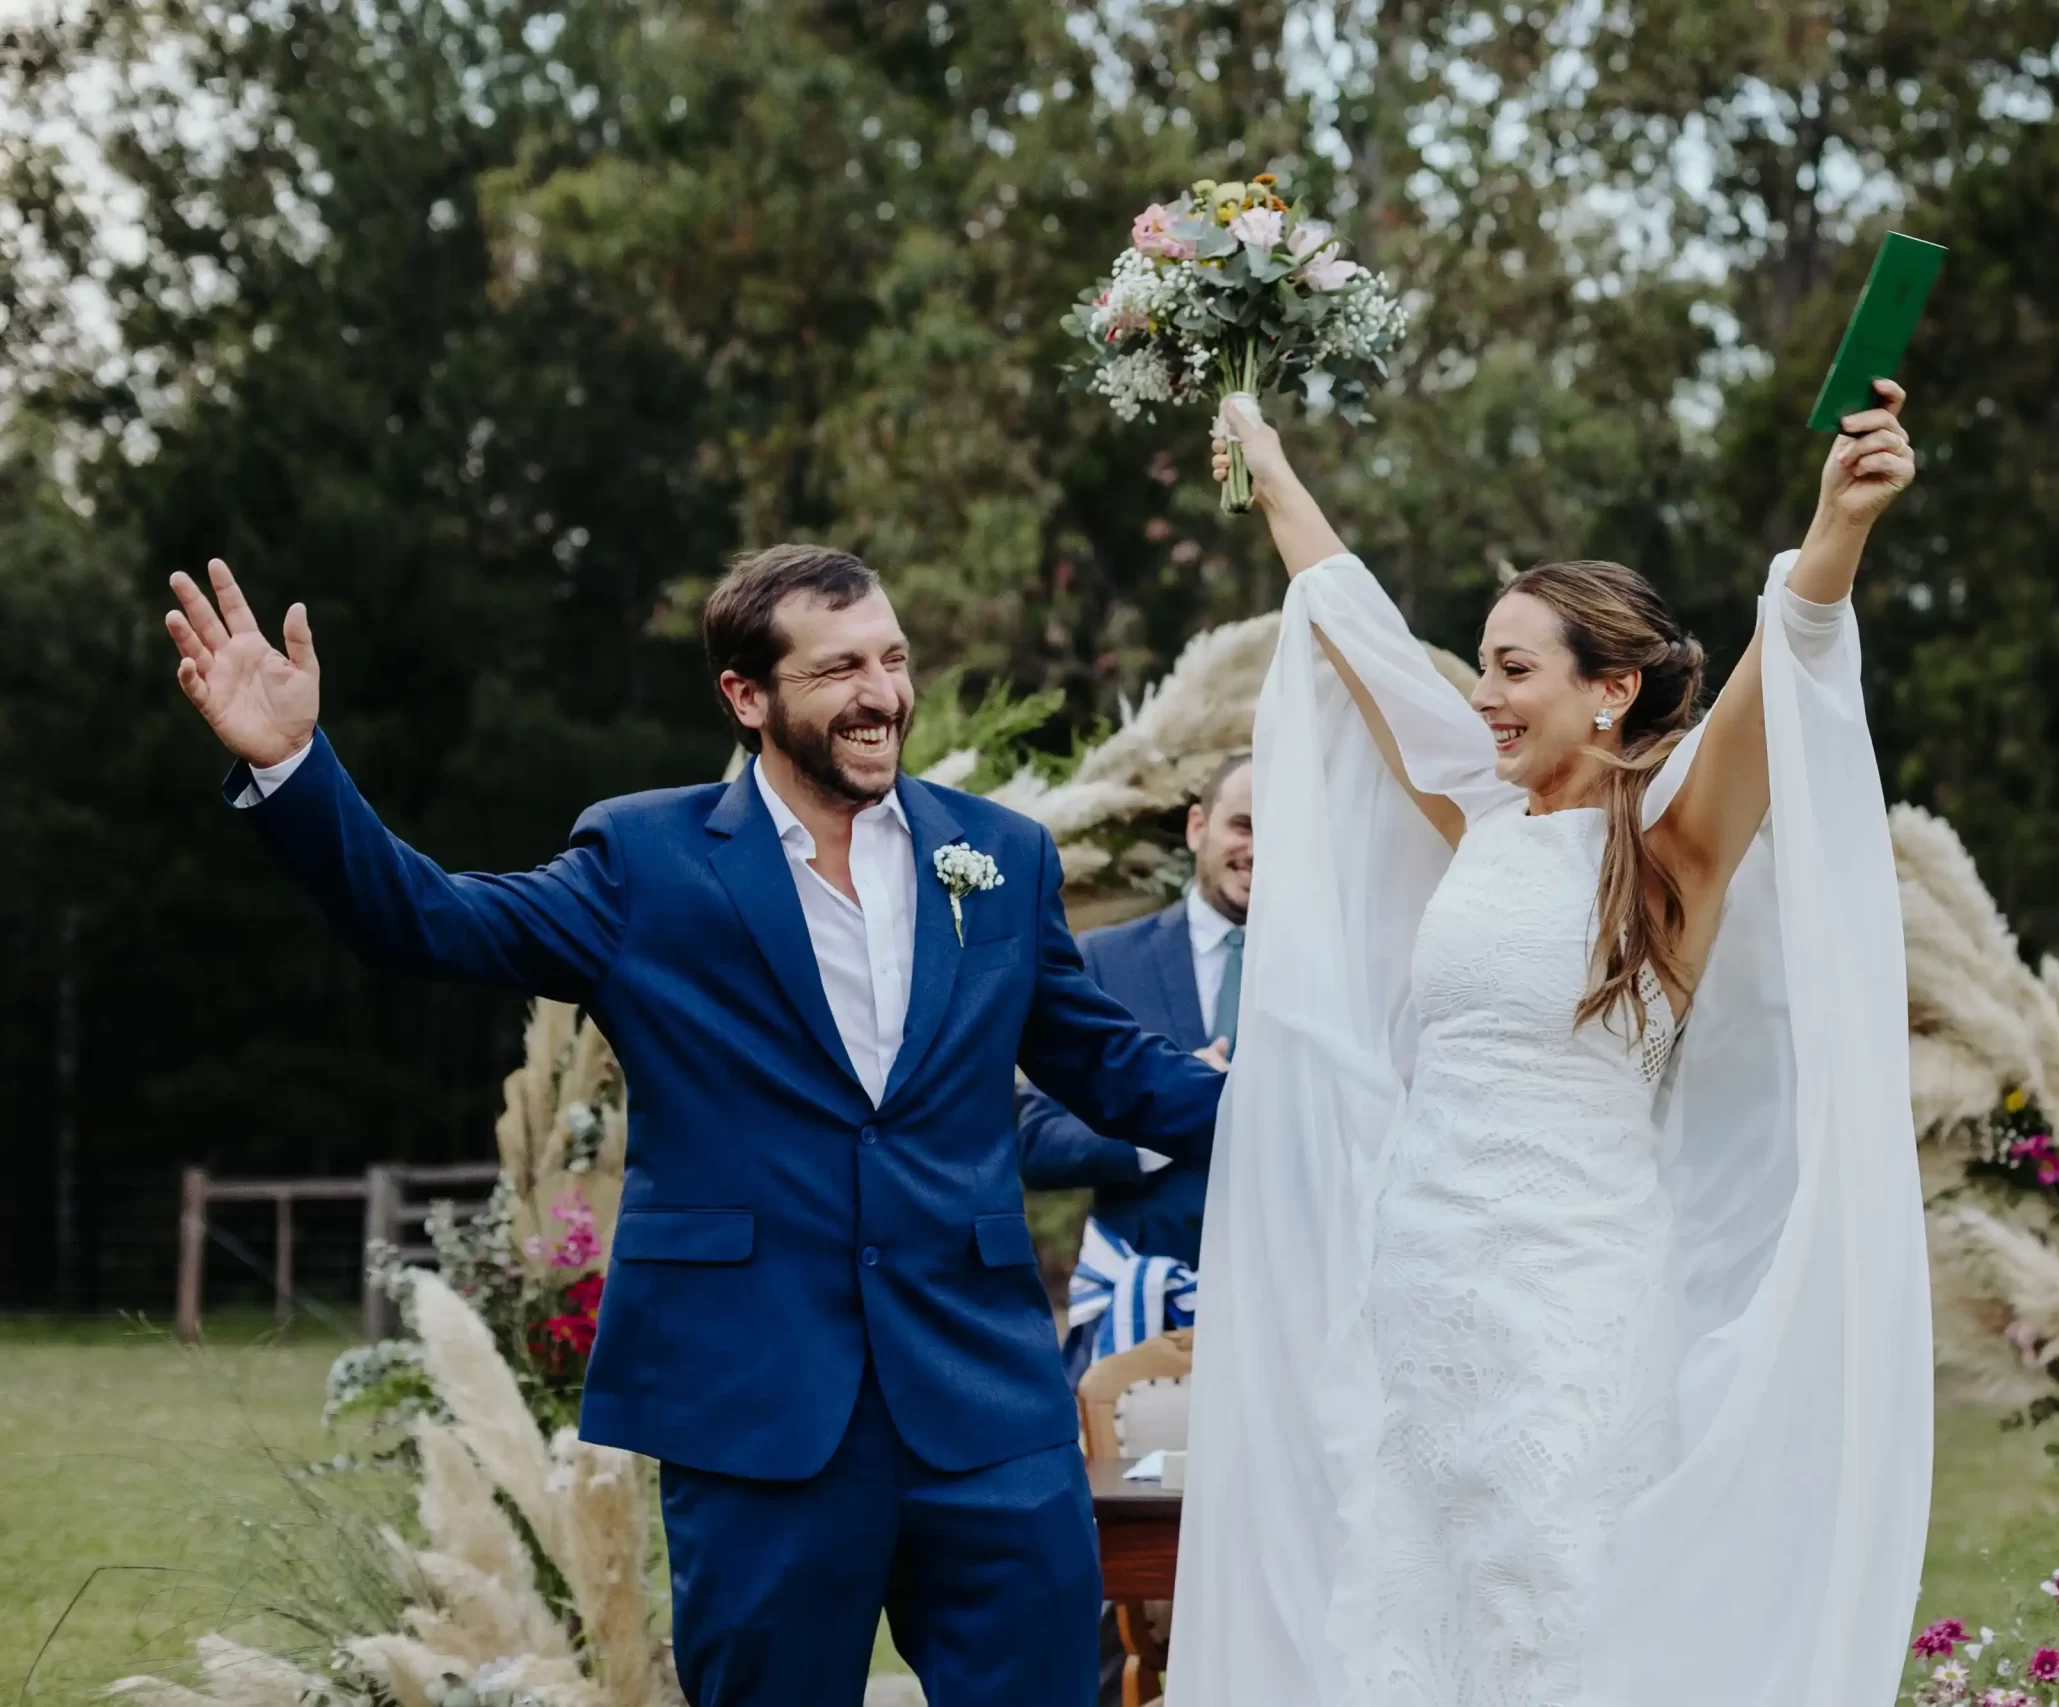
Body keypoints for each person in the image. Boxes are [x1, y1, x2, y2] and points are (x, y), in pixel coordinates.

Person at [158, 544, 1226, 1707]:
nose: (881, 695)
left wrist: (1322, 1105)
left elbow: (1111, 1070)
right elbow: (428, 922)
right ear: (746, 696)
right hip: (757, 1404)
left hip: (985, 1399)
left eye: (893, 659)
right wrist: (295, 768)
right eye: (839, 671)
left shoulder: (999, 856)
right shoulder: (645, 861)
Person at [1170, 384, 1934, 1707]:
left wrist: (1838, 525)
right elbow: (1359, 628)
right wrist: (1274, 468)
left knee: (1555, 1593)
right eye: (1484, 663)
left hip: (1575, 1291)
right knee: (1418, 1600)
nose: (1483, 693)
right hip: (1421, 1285)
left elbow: (1791, 647)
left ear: (1611, 689)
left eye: (1515, 667)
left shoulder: (1671, 849)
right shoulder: (1482, 814)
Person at [1019, 750, 1252, 1382]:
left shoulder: (1329, 975)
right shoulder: (1103, 960)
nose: (1260, 849)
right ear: (1198, 827)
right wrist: (1163, 1116)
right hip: (1134, 1316)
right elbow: (1036, 1141)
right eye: (1244, 826)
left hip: (1283, 1313)